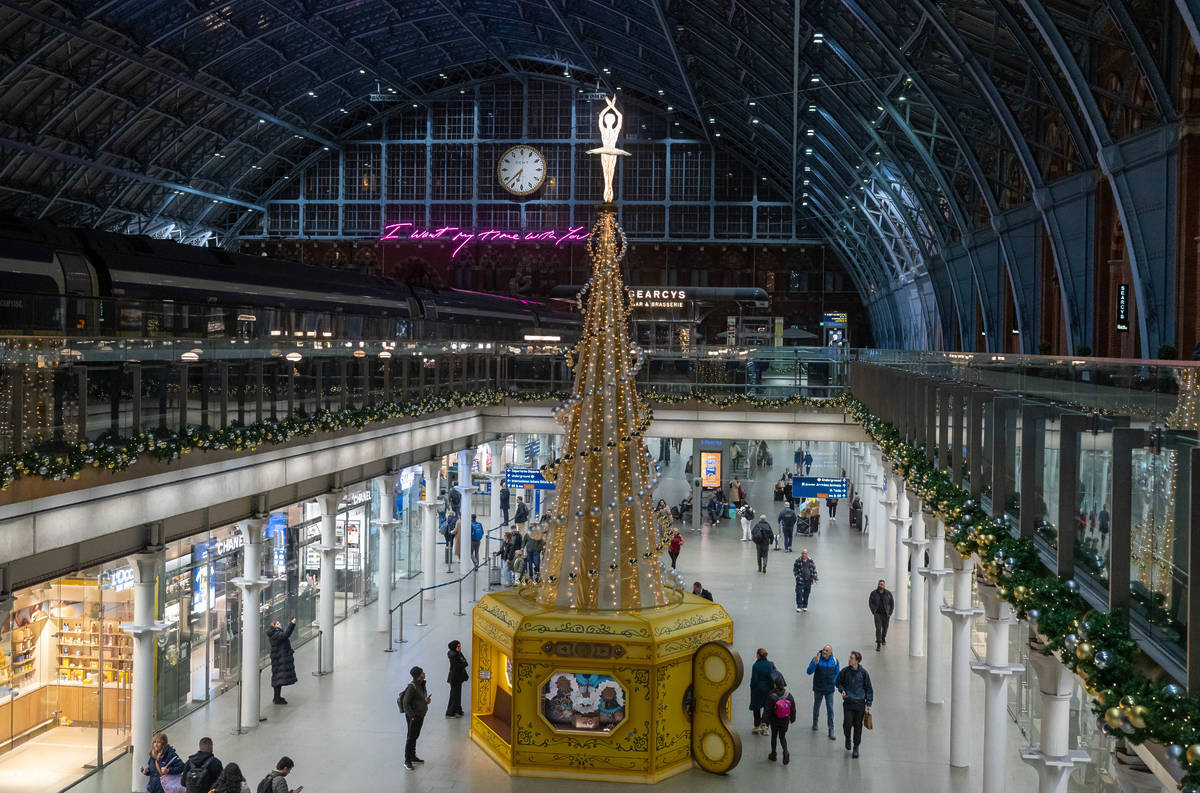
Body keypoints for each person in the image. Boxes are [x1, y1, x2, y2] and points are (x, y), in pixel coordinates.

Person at [835, 651, 873, 758]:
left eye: (851, 658)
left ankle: (856, 747)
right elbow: (838, 682)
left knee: (858, 726)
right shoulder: (845, 671)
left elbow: (869, 689)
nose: (849, 660)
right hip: (848, 702)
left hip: (860, 704)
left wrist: (868, 704)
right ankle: (847, 738)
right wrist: (842, 690)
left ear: (857, 661)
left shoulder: (864, 673)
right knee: (847, 724)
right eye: (849, 657)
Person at [399, 666, 431, 770]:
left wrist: (426, 701)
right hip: (414, 717)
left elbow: (419, 698)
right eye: (422, 672)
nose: (424, 673)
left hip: (420, 715)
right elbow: (405, 703)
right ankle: (407, 760)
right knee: (411, 737)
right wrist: (412, 717)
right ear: (418, 675)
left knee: (415, 736)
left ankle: (412, 756)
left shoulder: (421, 684)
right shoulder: (412, 687)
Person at [806, 645, 840, 739]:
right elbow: (808, 671)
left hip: (829, 689)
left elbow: (837, 673)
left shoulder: (835, 661)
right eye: (824, 650)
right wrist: (814, 664)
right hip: (818, 688)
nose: (824, 652)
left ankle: (831, 729)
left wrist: (834, 682)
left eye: (826, 650)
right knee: (817, 706)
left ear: (830, 652)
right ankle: (815, 722)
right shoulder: (817, 659)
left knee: (830, 709)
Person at [765, 675, 797, 764]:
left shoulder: (771, 695)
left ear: (775, 685)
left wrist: (765, 723)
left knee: (774, 736)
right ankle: (785, 752)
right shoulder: (788, 695)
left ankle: (773, 754)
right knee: (782, 737)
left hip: (774, 720)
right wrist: (792, 719)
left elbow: (767, 710)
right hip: (785, 720)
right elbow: (793, 709)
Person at [267, 617, 297, 704]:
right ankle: (276, 698)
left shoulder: (276, 633)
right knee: (277, 679)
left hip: (279, 659)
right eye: (277, 624)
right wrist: (292, 623)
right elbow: (286, 634)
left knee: (278, 679)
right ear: (275, 627)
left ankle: (277, 697)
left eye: (279, 623)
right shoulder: (276, 634)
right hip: (278, 659)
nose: (280, 624)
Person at [748, 648, 774, 735]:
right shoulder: (769, 664)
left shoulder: (755, 666)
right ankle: (764, 727)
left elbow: (754, 680)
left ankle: (756, 726)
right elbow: (771, 677)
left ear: (758, 655)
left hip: (757, 690)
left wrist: (752, 686)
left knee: (756, 708)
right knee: (766, 709)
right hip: (767, 689)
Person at [869, 580, 895, 651]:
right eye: (880, 584)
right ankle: (878, 643)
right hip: (877, 614)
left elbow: (892, 603)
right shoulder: (873, 593)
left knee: (885, 629)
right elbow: (870, 602)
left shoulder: (888, 593)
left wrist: (890, 612)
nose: (881, 585)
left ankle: (883, 638)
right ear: (878, 585)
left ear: (884, 586)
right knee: (878, 628)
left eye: (882, 584)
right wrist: (873, 610)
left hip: (886, 614)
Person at [446, 640, 469, 718]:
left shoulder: (457, 653)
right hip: (455, 678)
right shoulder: (454, 655)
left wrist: (463, 663)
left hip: (457, 677)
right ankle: (450, 712)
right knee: (454, 695)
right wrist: (463, 663)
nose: (460, 648)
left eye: (460, 646)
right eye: (458, 646)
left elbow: (465, 663)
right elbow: (461, 664)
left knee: (457, 695)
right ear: (454, 647)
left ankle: (457, 710)